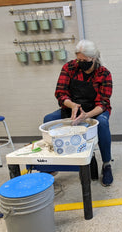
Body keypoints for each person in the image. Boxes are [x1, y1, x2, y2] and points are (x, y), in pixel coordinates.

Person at [44, 39, 113, 186]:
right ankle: (52, 165)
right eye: (78, 59)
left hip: (95, 109)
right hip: (73, 108)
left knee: (102, 124)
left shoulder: (104, 73)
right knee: (48, 119)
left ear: (93, 58)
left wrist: (86, 115)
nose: (80, 62)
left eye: (84, 60)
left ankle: (107, 164)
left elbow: (103, 103)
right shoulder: (69, 68)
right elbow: (60, 93)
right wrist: (73, 106)